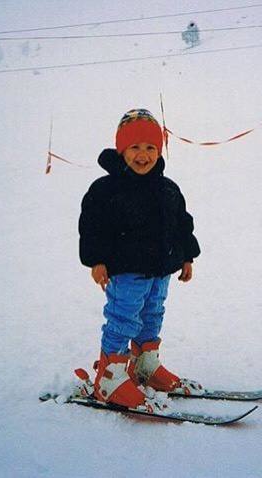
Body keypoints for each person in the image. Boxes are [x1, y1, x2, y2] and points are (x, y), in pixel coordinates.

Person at [78, 109, 201, 410]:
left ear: (159, 151)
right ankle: (109, 377)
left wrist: (187, 256)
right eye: (134, 147)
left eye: (150, 148)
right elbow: (92, 226)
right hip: (126, 273)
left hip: (160, 271)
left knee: (152, 316)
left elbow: (181, 223)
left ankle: (146, 365)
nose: (143, 155)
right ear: (122, 150)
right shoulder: (105, 190)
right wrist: (96, 261)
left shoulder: (168, 188)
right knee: (123, 319)